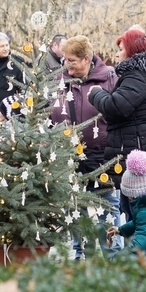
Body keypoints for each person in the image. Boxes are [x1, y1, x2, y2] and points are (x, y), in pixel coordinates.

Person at [88, 29, 146, 221]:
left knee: (140, 215)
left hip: (139, 149)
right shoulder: (145, 73)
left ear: (131, 51)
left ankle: (138, 251)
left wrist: (96, 93)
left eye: (121, 49)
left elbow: (117, 106)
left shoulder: (137, 75)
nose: (117, 54)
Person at [51, 35, 122, 259]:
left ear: (87, 59)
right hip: (70, 156)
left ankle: (113, 256)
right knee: (75, 208)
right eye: (65, 60)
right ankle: (80, 254)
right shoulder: (59, 81)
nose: (68, 66)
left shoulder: (109, 78)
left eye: (72, 60)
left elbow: (118, 111)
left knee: (107, 207)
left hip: (102, 154)